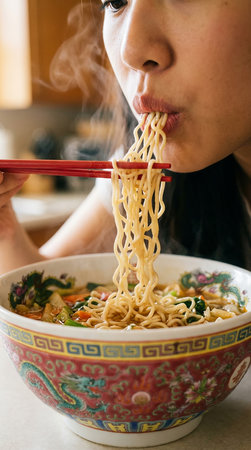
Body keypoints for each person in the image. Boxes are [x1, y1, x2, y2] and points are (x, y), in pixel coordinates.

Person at [0, 0, 250, 275]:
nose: (129, 50)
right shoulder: (138, 164)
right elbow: (42, 284)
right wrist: (5, 227)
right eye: (115, 2)